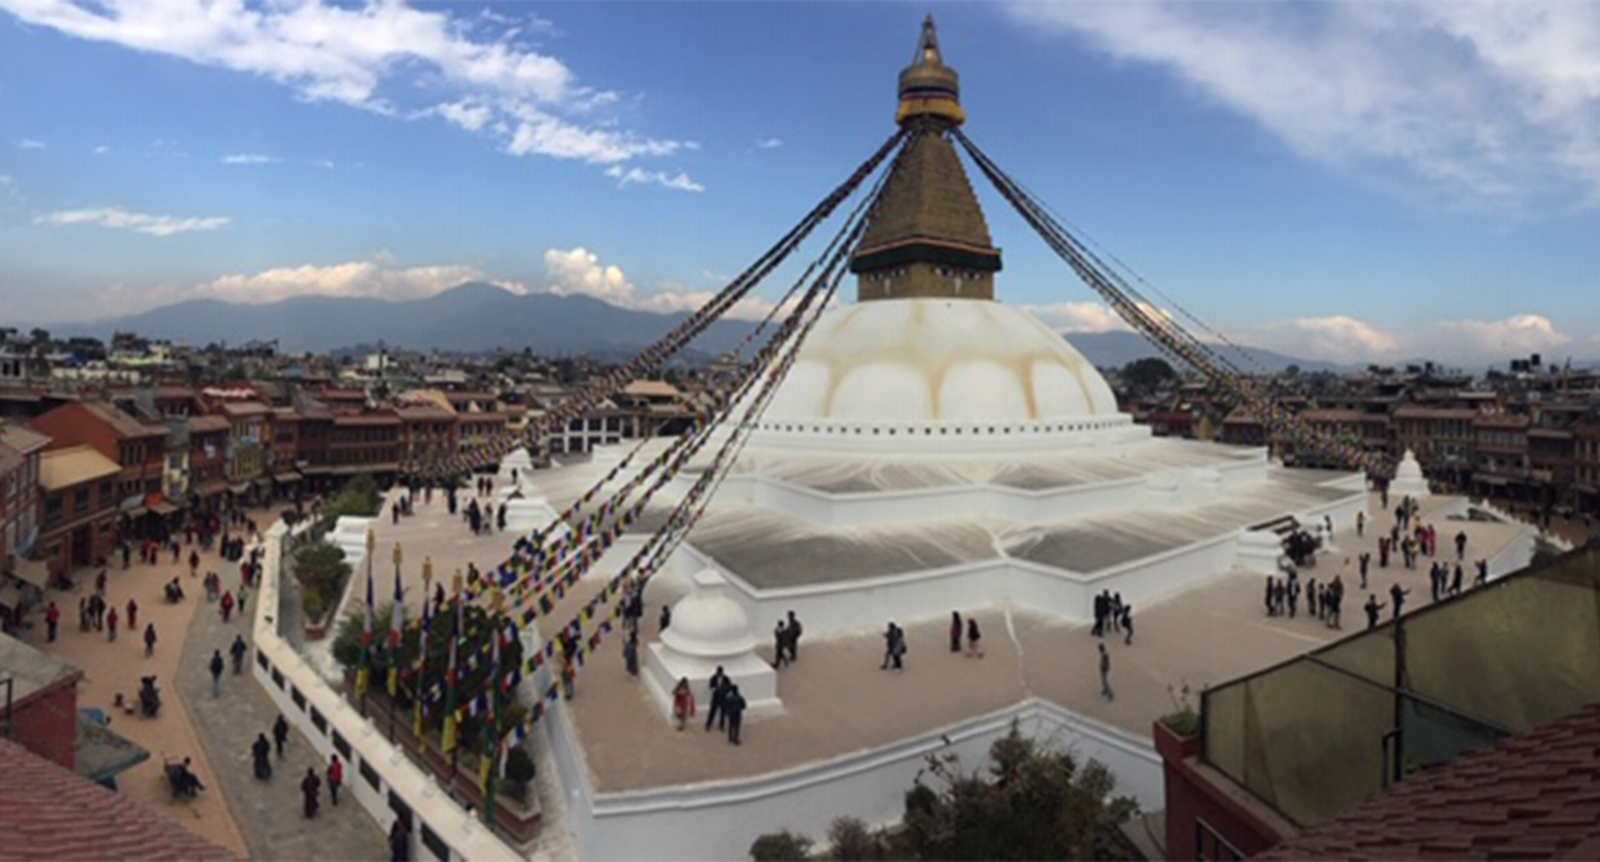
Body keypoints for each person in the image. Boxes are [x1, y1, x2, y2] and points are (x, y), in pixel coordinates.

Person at [705, 666, 728, 732]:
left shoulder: (726, 678)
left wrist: (724, 691)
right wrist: (715, 689)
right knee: (712, 712)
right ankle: (708, 725)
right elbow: (711, 686)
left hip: (723, 698)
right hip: (715, 697)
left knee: (722, 713)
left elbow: (728, 686)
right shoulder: (714, 678)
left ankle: (721, 725)